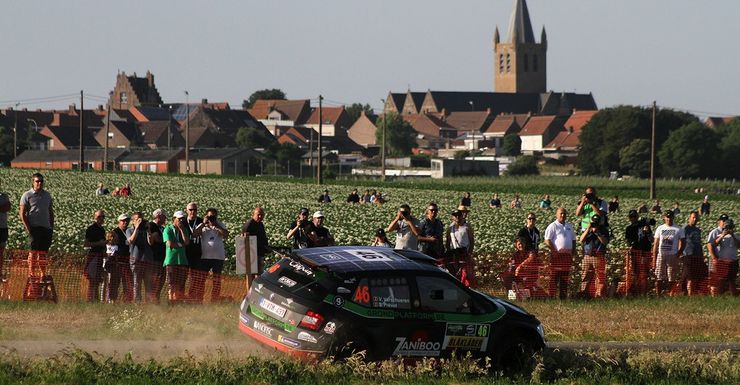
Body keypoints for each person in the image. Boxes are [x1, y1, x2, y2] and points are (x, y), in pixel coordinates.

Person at [19, 173, 54, 280]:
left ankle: (43, 274)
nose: (39, 183)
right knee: (33, 252)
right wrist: (29, 228)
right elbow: (22, 213)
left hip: (46, 228)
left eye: (41, 181)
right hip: (34, 228)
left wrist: (51, 226)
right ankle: (32, 274)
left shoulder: (47, 195)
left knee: (43, 253)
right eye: (37, 181)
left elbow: (50, 211)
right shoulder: (27, 195)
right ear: (33, 182)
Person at [195, 208, 229, 302]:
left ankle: (215, 299)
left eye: (213, 216)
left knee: (217, 280)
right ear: (206, 216)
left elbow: (226, 235)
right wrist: (203, 223)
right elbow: (195, 234)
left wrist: (216, 226)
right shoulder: (203, 226)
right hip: (205, 257)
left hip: (218, 257)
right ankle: (199, 299)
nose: (211, 218)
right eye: (210, 216)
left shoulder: (220, 224)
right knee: (202, 279)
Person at [544, 208, 576, 299]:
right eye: (561, 213)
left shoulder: (569, 226)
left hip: (567, 257)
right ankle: (551, 297)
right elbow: (547, 240)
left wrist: (573, 253)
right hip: (557, 256)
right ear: (556, 215)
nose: (563, 215)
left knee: (565, 277)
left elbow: (573, 240)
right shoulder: (553, 226)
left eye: (564, 213)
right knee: (554, 277)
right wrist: (554, 250)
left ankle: (563, 297)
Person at [652, 210, 684, 296]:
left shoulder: (678, 229)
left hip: (672, 255)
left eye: (670, 217)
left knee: (671, 277)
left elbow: (683, 242)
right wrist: (654, 258)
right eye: (667, 217)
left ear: (673, 217)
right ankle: (658, 295)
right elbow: (656, 244)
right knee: (659, 276)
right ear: (664, 218)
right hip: (661, 254)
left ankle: (670, 294)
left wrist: (678, 253)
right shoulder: (660, 228)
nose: (669, 219)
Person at [707, 214, 739, 296]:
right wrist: (723, 235)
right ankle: (718, 295)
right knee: (721, 280)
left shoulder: (737, 236)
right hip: (722, 261)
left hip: (733, 261)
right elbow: (713, 244)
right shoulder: (718, 234)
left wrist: (732, 235)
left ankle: (733, 295)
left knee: (732, 280)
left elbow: (739, 245)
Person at [579, 214, 609, 298]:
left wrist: (597, 233)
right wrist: (588, 229)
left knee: (600, 277)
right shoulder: (587, 230)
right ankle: (583, 294)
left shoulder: (604, 230)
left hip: (598, 256)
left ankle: (599, 295)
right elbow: (581, 239)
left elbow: (605, 242)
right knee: (585, 276)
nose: (595, 224)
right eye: (594, 222)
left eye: (597, 222)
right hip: (588, 256)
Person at [126, 211, 154, 303]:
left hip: (147, 260)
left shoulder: (145, 229)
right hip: (136, 260)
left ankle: (149, 303)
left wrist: (149, 230)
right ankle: (137, 303)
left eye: (141, 219)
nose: (140, 221)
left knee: (148, 283)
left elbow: (151, 242)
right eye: (137, 219)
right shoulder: (129, 230)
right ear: (133, 221)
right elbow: (131, 240)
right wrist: (137, 228)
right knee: (136, 283)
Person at [624, 210, 653, 296]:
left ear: (638, 216)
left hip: (645, 252)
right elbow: (628, 242)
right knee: (635, 273)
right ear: (629, 218)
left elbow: (651, 239)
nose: (633, 218)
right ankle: (636, 292)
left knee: (644, 273)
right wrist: (631, 244)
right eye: (631, 217)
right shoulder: (629, 228)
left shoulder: (644, 226)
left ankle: (643, 293)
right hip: (635, 253)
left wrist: (647, 232)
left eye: (635, 216)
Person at [163, 210, 190, 302]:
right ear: (174, 219)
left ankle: (179, 301)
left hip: (182, 260)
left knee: (181, 283)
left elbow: (186, 242)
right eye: (179, 219)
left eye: (183, 219)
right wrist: (180, 245)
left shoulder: (184, 229)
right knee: (172, 283)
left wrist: (182, 230)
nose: (181, 221)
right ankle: (172, 301)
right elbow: (169, 244)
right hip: (171, 260)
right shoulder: (168, 229)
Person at [446, 209, 475, 287]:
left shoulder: (467, 227)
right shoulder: (450, 228)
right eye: (455, 216)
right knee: (455, 274)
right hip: (454, 254)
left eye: (459, 215)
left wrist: (469, 253)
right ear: (453, 217)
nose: (457, 217)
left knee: (466, 274)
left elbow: (472, 241)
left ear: (461, 216)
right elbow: (448, 242)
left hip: (464, 254)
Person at [679, 211, 706, 296]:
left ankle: (686, 292)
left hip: (697, 255)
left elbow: (699, 242)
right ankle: (688, 294)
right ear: (689, 218)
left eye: (696, 218)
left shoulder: (698, 230)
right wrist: (680, 252)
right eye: (693, 217)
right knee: (689, 275)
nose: (695, 219)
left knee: (694, 275)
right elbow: (680, 241)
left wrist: (702, 255)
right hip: (688, 255)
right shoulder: (684, 229)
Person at [83, 210, 107, 302]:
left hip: (100, 255)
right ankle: (90, 298)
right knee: (92, 278)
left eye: (103, 217)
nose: (101, 219)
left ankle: (95, 298)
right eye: (99, 217)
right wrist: (99, 243)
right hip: (93, 256)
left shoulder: (102, 229)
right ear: (95, 218)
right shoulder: (91, 229)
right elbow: (86, 244)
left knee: (97, 278)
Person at [109, 213, 134, 303]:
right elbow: (111, 247)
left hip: (127, 261)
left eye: (127, 220)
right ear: (118, 222)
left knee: (128, 282)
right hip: (117, 261)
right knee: (115, 282)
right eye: (123, 221)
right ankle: (112, 300)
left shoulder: (128, 231)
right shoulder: (114, 232)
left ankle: (127, 301)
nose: (125, 222)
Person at [242, 207, 269, 276]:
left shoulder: (260, 224)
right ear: (253, 214)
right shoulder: (249, 225)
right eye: (258, 215)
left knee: (259, 273)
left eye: (262, 215)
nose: (260, 217)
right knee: (254, 274)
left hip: (259, 253)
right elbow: (243, 239)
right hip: (252, 254)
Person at [184, 202, 203, 300]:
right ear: (186, 211)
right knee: (183, 276)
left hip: (197, 254)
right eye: (190, 210)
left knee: (196, 277)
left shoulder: (201, 221)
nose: (193, 212)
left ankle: (196, 298)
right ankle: (182, 298)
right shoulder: (183, 221)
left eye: (195, 210)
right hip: (185, 254)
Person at [147, 209, 167, 303]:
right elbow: (157, 239)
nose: (165, 218)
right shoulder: (152, 226)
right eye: (164, 216)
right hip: (155, 258)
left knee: (161, 278)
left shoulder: (161, 227)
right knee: (156, 278)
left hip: (161, 258)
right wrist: (166, 239)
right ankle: (153, 298)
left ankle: (156, 297)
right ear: (159, 216)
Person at [0, 186, 10, 279]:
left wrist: (3, 207)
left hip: (3, 227)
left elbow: (7, 207)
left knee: (1, 252)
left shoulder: (4, 196)